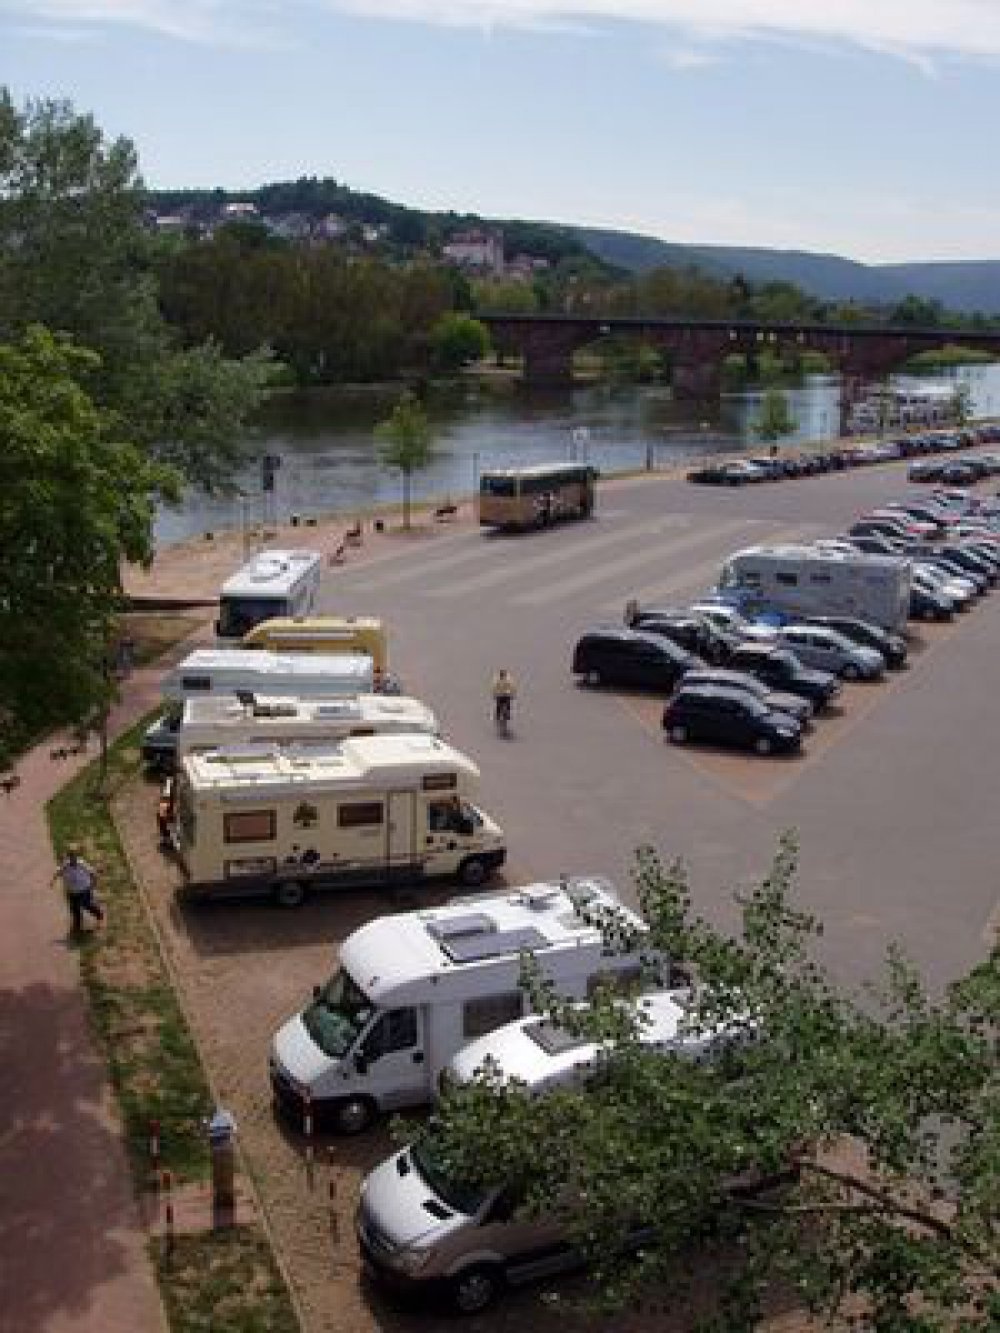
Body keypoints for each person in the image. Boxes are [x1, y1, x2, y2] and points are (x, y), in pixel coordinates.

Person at [52, 845, 104, 934]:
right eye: (71, 856)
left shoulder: (82, 864)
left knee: (86, 904)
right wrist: (53, 881)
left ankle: (99, 916)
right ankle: (77, 926)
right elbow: (59, 872)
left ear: (77, 856)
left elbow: (92, 872)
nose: (73, 859)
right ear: (68, 856)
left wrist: (94, 883)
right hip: (72, 891)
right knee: (75, 909)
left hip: (84, 889)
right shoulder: (66, 865)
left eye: (74, 856)